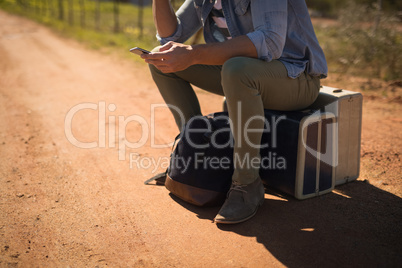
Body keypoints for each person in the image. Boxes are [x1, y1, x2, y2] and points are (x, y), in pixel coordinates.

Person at [141, 0, 327, 224]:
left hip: (295, 77)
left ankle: (247, 183)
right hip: (240, 74)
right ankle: (193, 156)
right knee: (162, 60)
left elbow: (270, 41)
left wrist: (194, 54)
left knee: (236, 69)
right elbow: (170, 38)